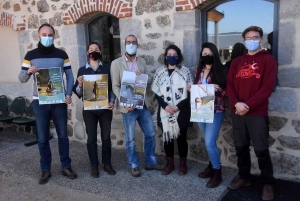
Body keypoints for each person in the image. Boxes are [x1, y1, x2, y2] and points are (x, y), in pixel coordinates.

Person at [18, 23, 77, 184]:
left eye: (50, 34)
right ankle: (45, 169)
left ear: (54, 36)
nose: (47, 37)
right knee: (43, 138)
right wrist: (28, 72)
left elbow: (70, 76)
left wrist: (68, 93)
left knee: (63, 136)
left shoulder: (62, 54)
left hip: (59, 102)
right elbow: (22, 78)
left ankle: (66, 166)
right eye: (44, 34)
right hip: (40, 102)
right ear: (39, 35)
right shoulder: (30, 55)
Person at [227, 26, 276, 201]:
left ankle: (268, 183)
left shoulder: (268, 60)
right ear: (244, 40)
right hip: (238, 112)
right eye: (248, 38)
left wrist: (247, 105)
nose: (252, 40)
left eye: (255, 37)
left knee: (261, 150)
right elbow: (230, 85)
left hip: (257, 112)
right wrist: (236, 104)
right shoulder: (237, 62)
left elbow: (267, 88)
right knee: (240, 147)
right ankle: (244, 177)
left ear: (261, 39)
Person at [110, 34, 163, 177]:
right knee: (130, 138)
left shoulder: (142, 61)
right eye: (128, 42)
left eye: (134, 42)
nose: (131, 44)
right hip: (128, 108)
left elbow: (149, 80)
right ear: (124, 45)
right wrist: (124, 101)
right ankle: (134, 164)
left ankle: (150, 162)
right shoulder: (116, 63)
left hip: (142, 105)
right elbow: (115, 86)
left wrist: (144, 76)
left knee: (151, 133)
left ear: (137, 45)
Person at [72, 42, 116, 178]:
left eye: (96, 49)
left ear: (100, 52)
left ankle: (107, 163)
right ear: (87, 53)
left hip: (105, 109)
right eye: (91, 50)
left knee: (106, 138)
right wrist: (79, 85)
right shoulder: (82, 70)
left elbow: (113, 88)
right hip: (89, 109)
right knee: (91, 138)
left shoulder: (108, 68)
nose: (94, 51)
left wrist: (112, 101)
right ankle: (94, 165)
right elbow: (78, 92)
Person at [152, 45, 193, 175]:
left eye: (174, 54)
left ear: (178, 56)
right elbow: (157, 93)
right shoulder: (160, 72)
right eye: (169, 54)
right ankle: (170, 164)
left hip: (181, 110)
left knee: (181, 138)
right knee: (168, 138)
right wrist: (165, 106)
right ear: (165, 56)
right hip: (165, 111)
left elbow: (190, 92)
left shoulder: (185, 71)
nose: (171, 56)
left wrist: (178, 107)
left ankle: (182, 164)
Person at [193, 42, 227, 188]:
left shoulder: (221, 70)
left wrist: (219, 89)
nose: (207, 56)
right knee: (209, 142)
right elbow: (197, 88)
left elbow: (228, 91)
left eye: (209, 53)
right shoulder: (197, 70)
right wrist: (191, 88)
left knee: (209, 142)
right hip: (201, 108)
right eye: (204, 54)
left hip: (216, 110)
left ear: (215, 54)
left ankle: (217, 173)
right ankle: (211, 166)